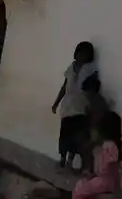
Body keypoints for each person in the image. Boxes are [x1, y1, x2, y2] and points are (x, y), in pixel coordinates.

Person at [52, 41, 98, 169]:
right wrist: (56, 103)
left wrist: (92, 108)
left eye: (86, 54)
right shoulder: (71, 67)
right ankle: (62, 158)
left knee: (76, 137)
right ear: (76, 53)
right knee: (65, 135)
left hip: (81, 109)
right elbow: (64, 86)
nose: (82, 56)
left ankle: (70, 161)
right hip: (67, 108)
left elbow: (93, 90)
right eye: (80, 53)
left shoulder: (90, 70)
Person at [72, 111, 122, 199]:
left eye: (94, 129)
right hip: (109, 182)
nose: (91, 132)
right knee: (84, 184)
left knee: (80, 188)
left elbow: (105, 169)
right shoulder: (109, 145)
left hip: (105, 182)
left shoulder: (108, 146)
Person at [80, 74, 110, 174]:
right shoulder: (96, 100)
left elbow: (96, 117)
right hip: (96, 128)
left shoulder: (96, 101)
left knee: (88, 147)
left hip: (98, 129)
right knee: (88, 148)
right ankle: (90, 170)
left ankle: (90, 170)